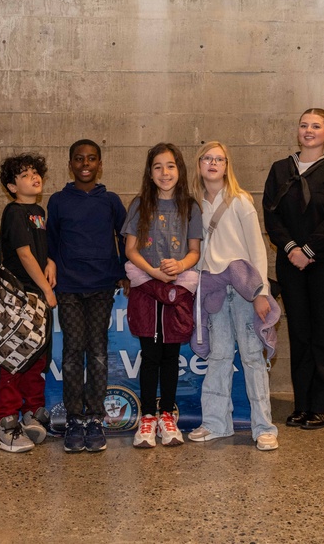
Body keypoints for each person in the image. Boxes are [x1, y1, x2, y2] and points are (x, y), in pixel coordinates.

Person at [263, 110, 324, 431]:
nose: (309, 130)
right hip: (291, 265)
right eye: (303, 125)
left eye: (316, 126)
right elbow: (271, 216)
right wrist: (291, 249)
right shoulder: (279, 170)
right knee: (300, 334)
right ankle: (303, 404)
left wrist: (310, 250)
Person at [189, 141, 279, 451]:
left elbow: (258, 248)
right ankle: (216, 423)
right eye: (207, 158)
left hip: (243, 292)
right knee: (219, 357)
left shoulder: (241, 201)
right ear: (199, 164)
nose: (213, 163)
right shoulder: (193, 205)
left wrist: (261, 292)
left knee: (253, 357)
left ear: (227, 166)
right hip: (212, 291)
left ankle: (264, 427)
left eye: (219, 159)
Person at [47, 139, 128, 453]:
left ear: (99, 164)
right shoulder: (57, 201)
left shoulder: (110, 201)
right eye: (79, 158)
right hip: (68, 287)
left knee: (96, 352)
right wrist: (51, 271)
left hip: (102, 287)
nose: (85, 163)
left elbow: (125, 238)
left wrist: (123, 272)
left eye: (91, 159)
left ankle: (94, 419)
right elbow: (51, 243)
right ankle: (74, 419)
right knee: (71, 354)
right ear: (70, 164)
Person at [122, 143, 202, 449]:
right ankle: (148, 418)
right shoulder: (140, 204)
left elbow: (195, 251)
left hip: (177, 286)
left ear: (179, 170)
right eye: (157, 166)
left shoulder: (190, 206)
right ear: (149, 172)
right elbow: (130, 250)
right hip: (146, 286)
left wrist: (180, 264)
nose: (164, 172)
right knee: (150, 355)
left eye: (170, 166)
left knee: (171, 355)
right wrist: (153, 272)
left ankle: (168, 416)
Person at [0, 153, 57, 453]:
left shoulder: (39, 211)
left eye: (35, 172)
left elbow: (41, 250)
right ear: (12, 186)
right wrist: (46, 288)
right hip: (17, 297)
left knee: (37, 356)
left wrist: (51, 261)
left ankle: (32, 412)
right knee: (13, 357)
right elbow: (25, 254)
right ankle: (4, 421)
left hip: (36, 298)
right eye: (25, 175)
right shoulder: (14, 211)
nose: (34, 177)